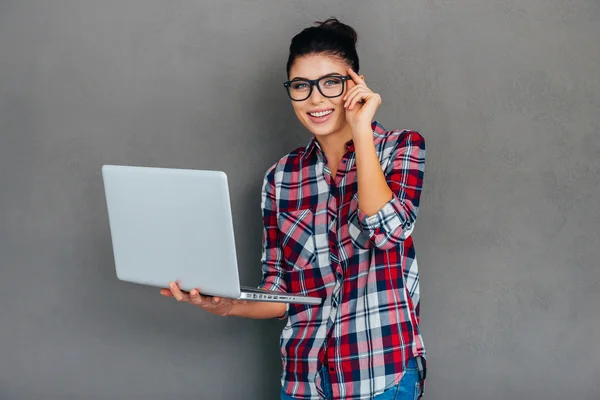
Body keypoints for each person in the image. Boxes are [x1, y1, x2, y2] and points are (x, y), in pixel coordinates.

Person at [160, 17, 427, 400]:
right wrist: (225, 305)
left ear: (355, 85)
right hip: (303, 383)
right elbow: (280, 292)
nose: (315, 99)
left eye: (330, 83)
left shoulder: (401, 147)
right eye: (302, 86)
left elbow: (387, 230)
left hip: (381, 376)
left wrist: (362, 129)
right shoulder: (280, 178)